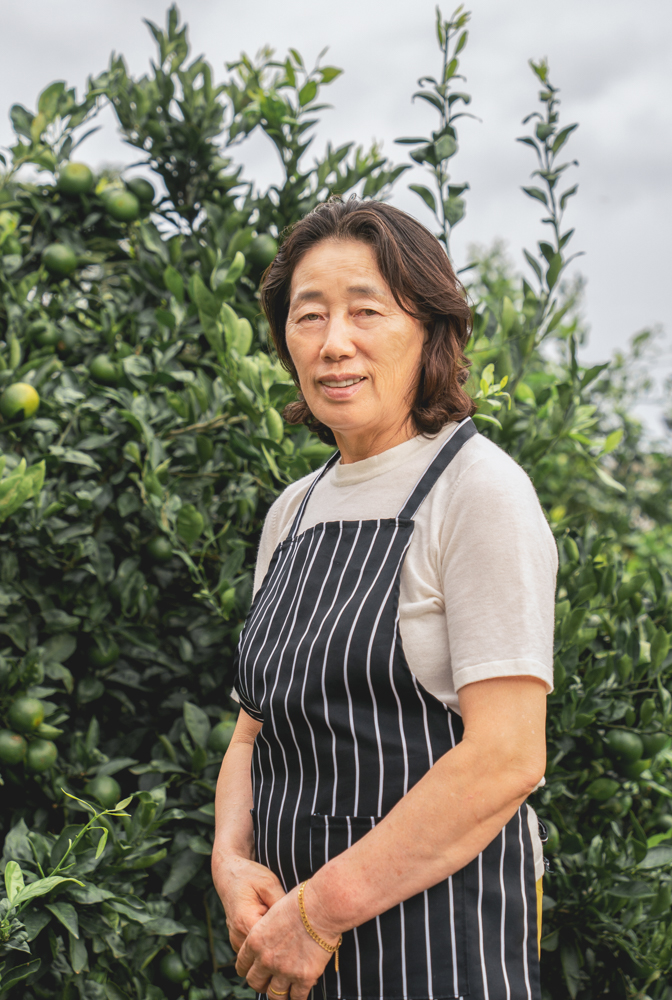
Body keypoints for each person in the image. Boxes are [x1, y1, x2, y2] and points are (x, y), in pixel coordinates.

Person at [212, 198, 557, 1000]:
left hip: (440, 945)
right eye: (309, 316)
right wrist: (231, 861)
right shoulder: (293, 511)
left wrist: (321, 911)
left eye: (366, 311)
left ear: (429, 329)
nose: (334, 342)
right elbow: (251, 733)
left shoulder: (479, 491)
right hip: (291, 944)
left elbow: (507, 757)